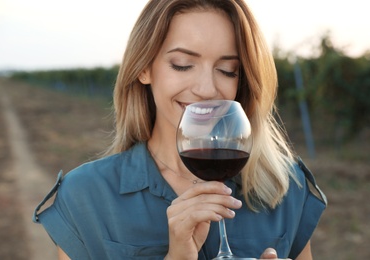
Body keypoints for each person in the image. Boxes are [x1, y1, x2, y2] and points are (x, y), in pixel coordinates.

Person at [33, 0, 327, 259]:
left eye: (227, 70)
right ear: (143, 68)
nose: (207, 89)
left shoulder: (287, 188)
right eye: (183, 64)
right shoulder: (85, 197)